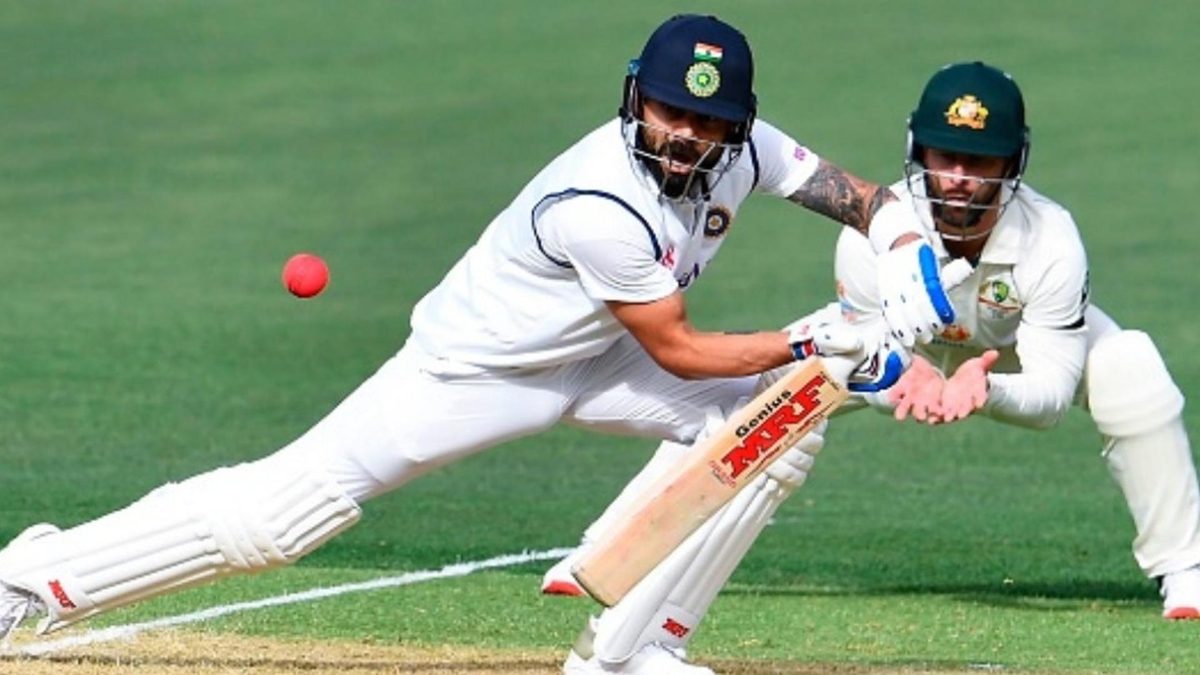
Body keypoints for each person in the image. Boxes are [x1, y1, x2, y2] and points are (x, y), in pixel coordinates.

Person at [0, 14, 958, 672]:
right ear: (636, 98)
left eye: (706, 121)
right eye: (669, 110)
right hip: (478, 367)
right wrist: (818, 340)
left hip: (599, 353)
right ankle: (29, 577)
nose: (682, 134)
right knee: (283, 518)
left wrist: (906, 249)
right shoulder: (600, 204)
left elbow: (864, 199)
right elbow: (679, 351)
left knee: (777, 429)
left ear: (736, 125)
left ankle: (629, 649)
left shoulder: (746, 149)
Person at [547, 60, 1200, 673]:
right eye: (945, 156)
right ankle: (610, 548)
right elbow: (870, 352)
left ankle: (1185, 568)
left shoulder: (1050, 237)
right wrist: (901, 379)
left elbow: (1052, 392)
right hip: (889, 343)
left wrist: (986, 389)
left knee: (1130, 364)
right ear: (918, 150)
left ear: (1013, 162)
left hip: (1009, 349)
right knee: (755, 392)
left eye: (979, 161)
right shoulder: (877, 230)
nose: (959, 177)